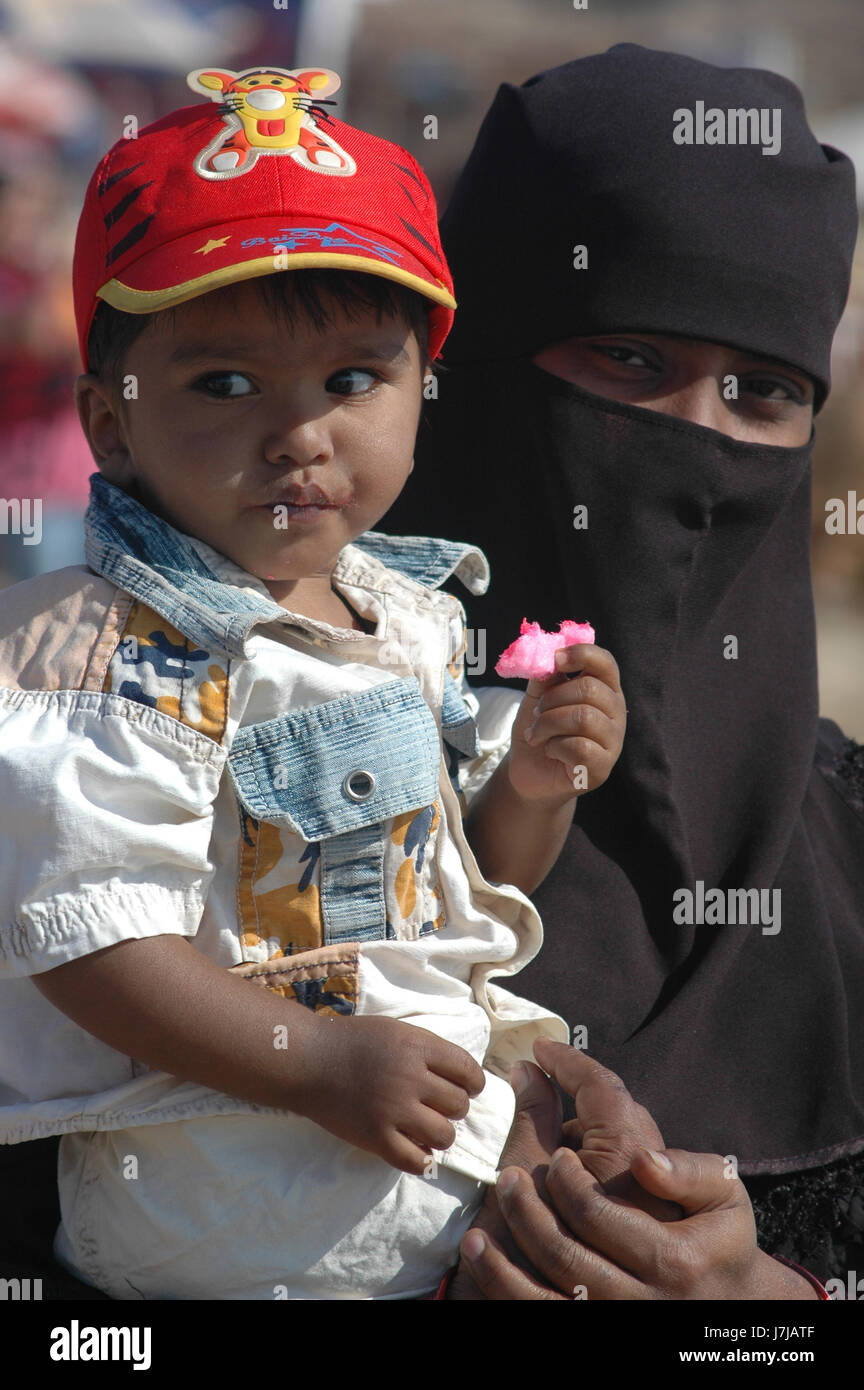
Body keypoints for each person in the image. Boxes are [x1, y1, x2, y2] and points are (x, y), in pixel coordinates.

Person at [0, 63, 632, 1301]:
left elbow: (455, 880)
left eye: (353, 380)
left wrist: (542, 784)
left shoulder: (410, 616)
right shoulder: (105, 651)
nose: (298, 433)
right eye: (225, 384)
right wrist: (316, 1064)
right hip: (222, 1200)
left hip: (410, 1176)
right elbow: (89, 944)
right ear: (111, 420)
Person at [382, 44, 864, 1295]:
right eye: (631, 364)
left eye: (761, 392)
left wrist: (757, 1306)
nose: (696, 443)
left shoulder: (850, 843)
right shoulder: (196, 781)